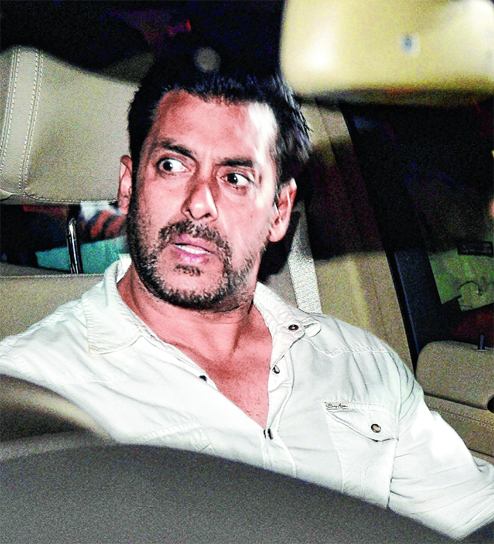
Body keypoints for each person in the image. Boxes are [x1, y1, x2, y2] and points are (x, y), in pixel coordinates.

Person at [0, 60, 493, 539]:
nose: (199, 202)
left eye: (235, 178)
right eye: (172, 165)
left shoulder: (362, 364)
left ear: (279, 211)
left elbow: (470, 514)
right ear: (129, 186)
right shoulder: (31, 393)